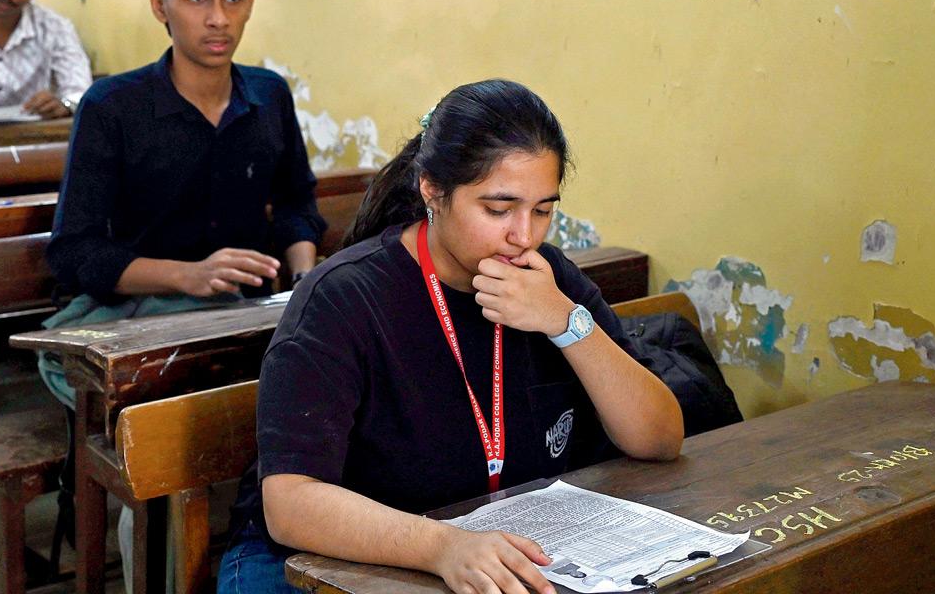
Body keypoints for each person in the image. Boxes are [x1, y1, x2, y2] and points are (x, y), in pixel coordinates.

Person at [220, 80, 685, 594]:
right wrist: (442, 546)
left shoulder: (548, 279)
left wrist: (567, 323)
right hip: (319, 563)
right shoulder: (343, 299)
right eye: (497, 208)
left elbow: (660, 439)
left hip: (484, 547)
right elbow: (290, 504)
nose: (524, 235)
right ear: (432, 191)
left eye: (543, 209)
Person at [42, 0, 325, 591]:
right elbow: (73, 252)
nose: (218, 17)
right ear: (160, 6)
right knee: (172, 449)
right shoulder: (113, 107)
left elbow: (296, 204)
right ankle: (163, 567)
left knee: (312, 413)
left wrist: (305, 280)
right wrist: (190, 275)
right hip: (138, 320)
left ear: (251, 0)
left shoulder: (269, 95)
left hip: (250, 314)